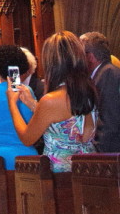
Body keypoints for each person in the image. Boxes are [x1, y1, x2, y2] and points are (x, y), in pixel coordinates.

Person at [7, 31, 97, 172]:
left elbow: (26, 138)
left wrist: (12, 104)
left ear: (51, 63)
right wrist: (32, 104)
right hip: (89, 170)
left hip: (60, 176)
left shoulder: (51, 100)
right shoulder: (89, 91)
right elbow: (65, 125)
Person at [80, 31, 120, 152]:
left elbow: (109, 120)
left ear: (90, 57)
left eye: (79, 55)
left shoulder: (108, 75)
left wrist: (98, 153)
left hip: (110, 153)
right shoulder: (104, 73)